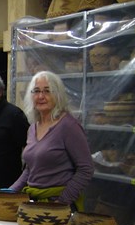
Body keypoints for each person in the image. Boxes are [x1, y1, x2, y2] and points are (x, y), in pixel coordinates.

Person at [10, 70, 94, 211]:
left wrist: (62, 202)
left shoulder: (68, 126)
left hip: (58, 206)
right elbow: (31, 169)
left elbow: (86, 169)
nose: (41, 96)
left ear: (58, 95)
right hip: (34, 202)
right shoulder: (32, 129)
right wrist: (9, 192)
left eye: (47, 91)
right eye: (36, 91)